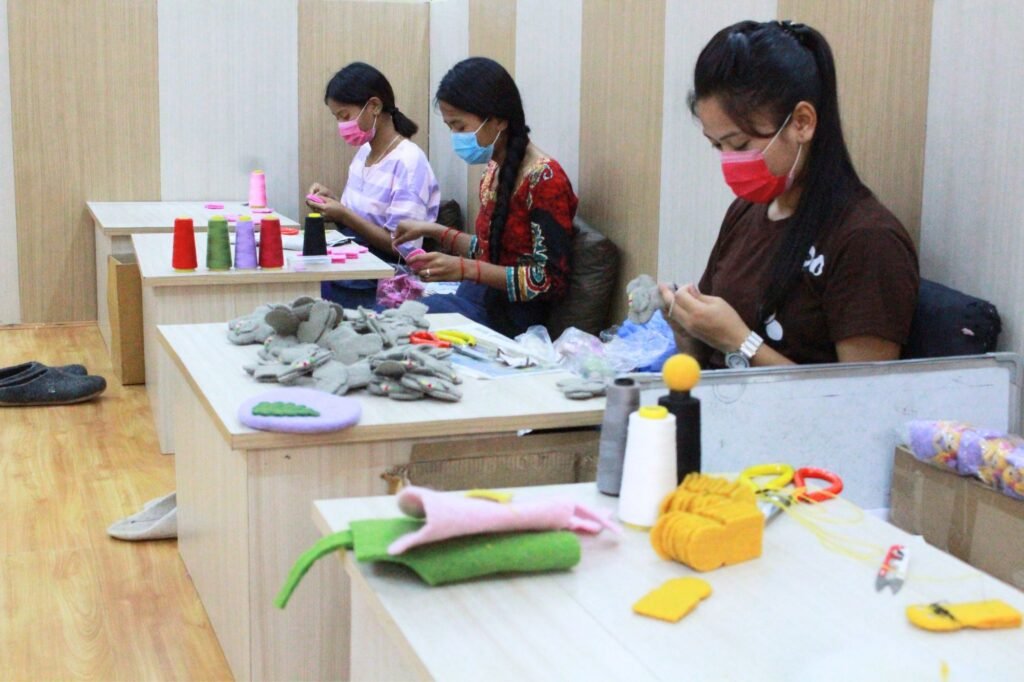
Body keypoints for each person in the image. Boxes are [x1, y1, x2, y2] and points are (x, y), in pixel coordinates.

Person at [660, 20, 919, 368]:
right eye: (717, 146)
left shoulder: (867, 240)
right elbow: (711, 364)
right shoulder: (746, 212)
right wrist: (688, 332)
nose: (729, 161)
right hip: (721, 414)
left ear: (802, 122)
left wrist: (742, 342)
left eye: (739, 144)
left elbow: (862, 406)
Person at [393, 57, 577, 338]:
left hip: (510, 318)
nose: (455, 137)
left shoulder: (546, 180)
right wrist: (433, 230)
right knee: (392, 311)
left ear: (500, 119)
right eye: (450, 127)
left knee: (399, 323)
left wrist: (465, 268)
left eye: (460, 127)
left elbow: (547, 281)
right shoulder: (494, 169)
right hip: (480, 297)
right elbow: (494, 250)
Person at [307, 62, 440, 309]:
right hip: (355, 268)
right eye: (337, 118)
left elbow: (403, 249)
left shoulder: (409, 162)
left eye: (344, 116)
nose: (341, 125)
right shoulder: (364, 153)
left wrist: (343, 213)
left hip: (384, 282)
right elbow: (359, 222)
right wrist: (332, 204)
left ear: (375, 106)